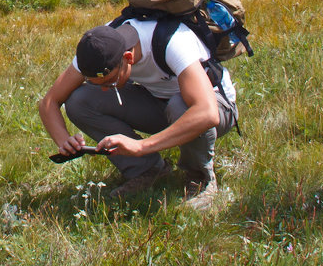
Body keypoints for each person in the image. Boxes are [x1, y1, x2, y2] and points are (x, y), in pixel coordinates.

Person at [38, 20, 237, 209]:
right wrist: (63, 141)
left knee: (181, 105)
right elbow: (49, 102)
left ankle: (200, 178)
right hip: (160, 104)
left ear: (128, 58)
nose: (106, 90)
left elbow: (207, 113)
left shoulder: (173, 42)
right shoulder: (96, 48)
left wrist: (141, 146)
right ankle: (148, 170)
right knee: (79, 101)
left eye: (110, 82)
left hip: (216, 108)